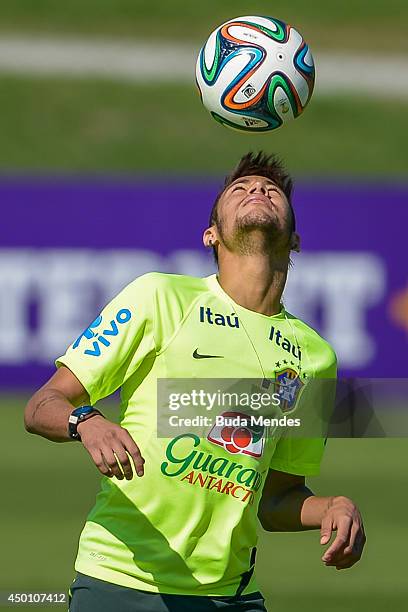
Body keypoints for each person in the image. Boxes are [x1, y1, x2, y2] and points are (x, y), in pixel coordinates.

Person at [24, 152, 365, 612]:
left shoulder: (317, 356)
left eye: (271, 191)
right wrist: (86, 420)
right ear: (212, 233)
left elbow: (278, 497)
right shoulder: (160, 297)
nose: (257, 191)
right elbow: (42, 404)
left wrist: (331, 507)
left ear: (296, 239)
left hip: (230, 596)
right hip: (119, 581)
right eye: (239, 189)